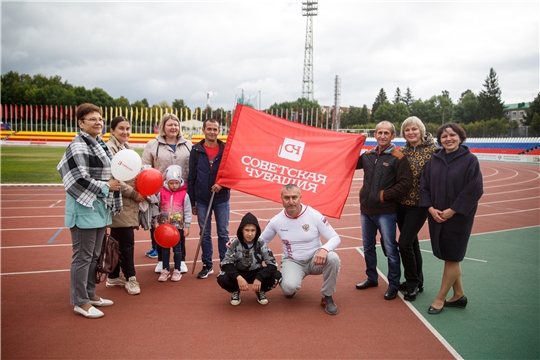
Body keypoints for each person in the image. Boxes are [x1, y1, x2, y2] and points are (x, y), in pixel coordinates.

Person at [57, 103, 122, 319]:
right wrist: (106, 187)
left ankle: (90, 294)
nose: (98, 122)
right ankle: (80, 301)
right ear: (81, 123)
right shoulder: (78, 146)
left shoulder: (98, 144)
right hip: (83, 209)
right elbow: (78, 178)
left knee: (94, 255)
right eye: (92, 119)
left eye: (100, 119)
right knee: (82, 257)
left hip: (98, 209)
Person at [419, 123, 483, 315]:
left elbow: (474, 189)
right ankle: (458, 296)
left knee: (452, 257)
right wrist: (430, 208)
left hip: (458, 217)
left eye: (452, 135)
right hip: (436, 214)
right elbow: (425, 185)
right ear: (440, 140)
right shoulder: (434, 160)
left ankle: (440, 299)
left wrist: (453, 210)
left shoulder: (470, 160)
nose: (448, 139)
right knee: (449, 256)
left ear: (460, 137)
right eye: (444, 136)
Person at [259, 184, 341, 315]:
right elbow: (260, 241)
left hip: (315, 259)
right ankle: (290, 282)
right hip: (293, 261)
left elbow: (335, 238)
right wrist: (238, 241)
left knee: (333, 258)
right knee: (288, 288)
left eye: (294, 197)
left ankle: (327, 296)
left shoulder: (314, 215)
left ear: (300, 198)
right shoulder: (276, 220)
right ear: (281, 198)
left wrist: (324, 249)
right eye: (286, 198)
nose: (291, 202)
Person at [355, 120, 412, 300]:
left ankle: (394, 284)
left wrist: (383, 195)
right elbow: (349, 163)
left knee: (390, 247)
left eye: (386, 133)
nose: (382, 136)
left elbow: (405, 183)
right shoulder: (368, 155)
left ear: (393, 136)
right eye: (379, 132)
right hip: (366, 210)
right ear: (375, 134)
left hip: (386, 211)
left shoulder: (398, 157)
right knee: (368, 247)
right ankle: (371, 278)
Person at [142, 113, 192, 274]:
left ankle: (181, 259)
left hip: (180, 193)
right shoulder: (152, 145)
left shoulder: (187, 145)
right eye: (170, 124)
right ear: (163, 126)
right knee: (158, 224)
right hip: (159, 193)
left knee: (179, 225)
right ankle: (161, 260)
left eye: (176, 124)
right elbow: (145, 167)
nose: (173, 127)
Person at [396, 116, 439, 301]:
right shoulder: (401, 151)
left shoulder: (434, 152)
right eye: (407, 130)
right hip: (400, 204)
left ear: (421, 130)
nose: (411, 132)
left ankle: (411, 283)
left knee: (404, 243)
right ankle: (418, 281)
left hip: (419, 205)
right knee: (412, 243)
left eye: (414, 129)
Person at [104, 116, 145, 295]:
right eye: (121, 128)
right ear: (112, 130)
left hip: (127, 203)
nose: (125, 132)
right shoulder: (109, 149)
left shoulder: (127, 148)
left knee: (117, 241)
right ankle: (130, 278)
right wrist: (134, 193)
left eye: (128, 128)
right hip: (120, 202)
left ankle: (113, 276)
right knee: (126, 242)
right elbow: (114, 177)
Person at [188, 119, 230, 279]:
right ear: (204, 130)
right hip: (202, 198)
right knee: (204, 233)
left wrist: (221, 184)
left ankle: (225, 265)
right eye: (209, 129)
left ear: (219, 131)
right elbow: (191, 177)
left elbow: (231, 174)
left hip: (221, 198)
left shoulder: (225, 149)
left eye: (215, 129)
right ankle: (207, 265)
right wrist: (192, 202)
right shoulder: (196, 150)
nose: (212, 132)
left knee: (223, 233)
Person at [217, 212, 282, 306]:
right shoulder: (235, 243)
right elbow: (225, 264)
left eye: (253, 230)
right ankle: (235, 291)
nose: (250, 234)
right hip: (239, 272)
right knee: (222, 277)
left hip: (256, 272)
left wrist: (260, 278)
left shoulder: (261, 243)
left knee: (276, 275)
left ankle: (260, 291)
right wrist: (238, 277)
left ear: (257, 231)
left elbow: (272, 264)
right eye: (247, 230)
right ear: (241, 230)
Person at [153, 165, 192, 282]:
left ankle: (177, 269)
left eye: (176, 183)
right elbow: (156, 207)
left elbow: (187, 211)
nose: (174, 185)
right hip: (164, 228)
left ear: (180, 182)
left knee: (177, 248)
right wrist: (155, 221)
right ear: (167, 182)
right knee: (164, 248)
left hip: (177, 227)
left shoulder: (185, 195)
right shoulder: (161, 193)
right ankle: (165, 269)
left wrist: (187, 225)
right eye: (171, 183)